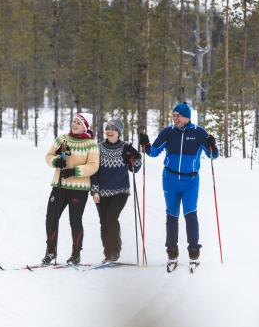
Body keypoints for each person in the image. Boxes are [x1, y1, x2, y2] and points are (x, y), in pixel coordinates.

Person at [138, 102, 218, 270]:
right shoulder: (168, 132)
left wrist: (212, 144)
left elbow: (213, 155)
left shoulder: (198, 133)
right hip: (170, 179)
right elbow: (153, 152)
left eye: (178, 116)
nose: (175, 119)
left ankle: (194, 253)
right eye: (173, 115)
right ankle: (172, 254)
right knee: (172, 215)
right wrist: (145, 145)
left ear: (187, 116)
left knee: (190, 214)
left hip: (191, 181)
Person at [42, 112, 99, 265]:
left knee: (75, 221)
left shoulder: (91, 144)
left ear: (85, 127)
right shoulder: (62, 139)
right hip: (59, 186)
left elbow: (93, 166)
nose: (74, 124)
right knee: (51, 218)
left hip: (78, 189)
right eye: (73, 121)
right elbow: (48, 156)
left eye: (78, 123)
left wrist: (75, 171)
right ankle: (51, 251)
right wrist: (55, 162)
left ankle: (76, 254)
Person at [90, 118, 142, 263]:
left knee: (111, 218)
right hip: (101, 192)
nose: (110, 132)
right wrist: (94, 191)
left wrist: (136, 155)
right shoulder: (98, 148)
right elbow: (94, 171)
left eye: (113, 129)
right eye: (108, 129)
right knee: (103, 222)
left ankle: (114, 251)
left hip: (121, 191)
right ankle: (107, 253)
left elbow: (135, 168)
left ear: (119, 132)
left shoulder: (126, 147)